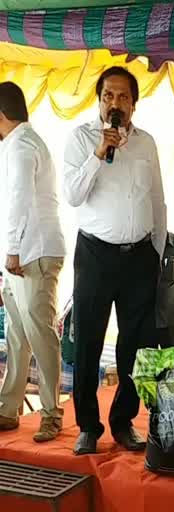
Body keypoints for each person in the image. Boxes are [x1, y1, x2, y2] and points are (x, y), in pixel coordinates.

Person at [62, 66, 167, 456]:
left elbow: (157, 198)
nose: (115, 103)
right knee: (88, 340)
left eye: (123, 97)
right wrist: (98, 154)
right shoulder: (81, 139)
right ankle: (88, 425)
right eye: (108, 96)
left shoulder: (147, 143)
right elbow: (72, 195)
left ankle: (124, 422)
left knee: (136, 344)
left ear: (134, 104)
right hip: (94, 255)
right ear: (99, 100)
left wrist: (157, 250)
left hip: (139, 256)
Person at [0, 82, 66, 442]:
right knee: (17, 334)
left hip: (31, 254)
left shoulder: (22, 147)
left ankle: (52, 413)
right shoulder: (16, 144)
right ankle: (8, 409)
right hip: (19, 256)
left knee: (40, 333)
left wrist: (11, 250)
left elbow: (19, 201)